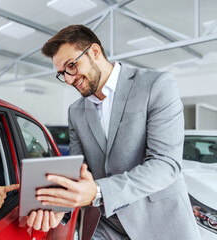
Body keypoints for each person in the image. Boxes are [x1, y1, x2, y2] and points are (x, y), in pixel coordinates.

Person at [28, 25, 202, 240]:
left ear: (94, 52)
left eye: (71, 66)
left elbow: (166, 164)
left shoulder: (156, 85)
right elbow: (79, 172)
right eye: (62, 73)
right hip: (106, 226)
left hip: (159, 225)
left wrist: (99, 191)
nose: (69, 79)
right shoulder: (76, 111)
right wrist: (60, 208)